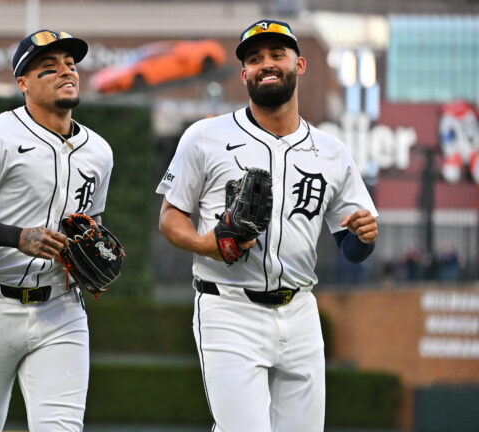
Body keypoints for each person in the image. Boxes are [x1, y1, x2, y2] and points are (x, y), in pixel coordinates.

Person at [156, 20, 378, 431]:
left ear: (300, 64)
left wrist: (364, 237)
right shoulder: (205, 136)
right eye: (255, 59)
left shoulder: (331, 152)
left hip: (300, 311)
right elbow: (170, 217)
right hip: (228, 307)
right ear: (244, 75)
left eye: (277, 55)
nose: (266, 65)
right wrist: (206, 244)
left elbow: (350, 242)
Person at [0, 29, 114, 432]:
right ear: (22, 83)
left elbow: (90, 222)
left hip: (61, 309)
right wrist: (17, 237)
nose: (66, 72)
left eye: (71, 65)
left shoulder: (99, 151)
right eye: (49, 68)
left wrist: (94, 250)